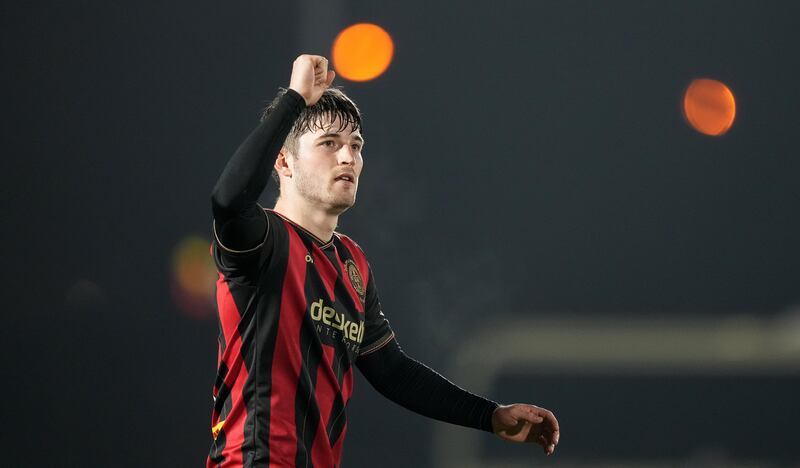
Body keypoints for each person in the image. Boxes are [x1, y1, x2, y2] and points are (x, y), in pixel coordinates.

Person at [207, 54, 560, 468]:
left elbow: (392, 371)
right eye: (329, 144)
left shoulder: (351, 263)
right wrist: (296, 98)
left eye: (355, 146)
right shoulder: (263, 241)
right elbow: (228, 200)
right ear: (283, 162)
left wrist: (491, 416)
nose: (348, 158)